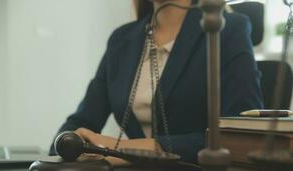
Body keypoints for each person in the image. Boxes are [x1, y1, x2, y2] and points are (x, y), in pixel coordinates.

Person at [49, 0, 263, 162]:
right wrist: (68, 146)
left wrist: (124, 149)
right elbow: (81, 120)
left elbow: (242, 136)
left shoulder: (227, 29)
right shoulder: (121, 40)